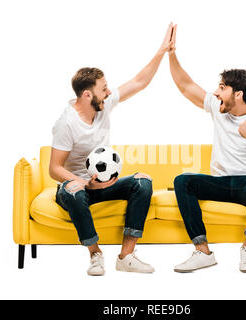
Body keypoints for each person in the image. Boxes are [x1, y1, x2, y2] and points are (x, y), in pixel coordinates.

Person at [49, 24, 175, 276]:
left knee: (143, 181)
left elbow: (139, 82)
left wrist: (162, 51)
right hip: (77, 188)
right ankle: (95, 254)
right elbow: (54, 168)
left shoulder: (103, 105)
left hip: (105, 184)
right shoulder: (66, 123)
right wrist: (85, 183)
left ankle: (127, 255)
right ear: (87, 94)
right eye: (103, 88)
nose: (108, 92)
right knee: (74, 192)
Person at [167, 25, 246, 273]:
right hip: (220, 184)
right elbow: (185, 85)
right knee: (183, 181)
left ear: (239, 94)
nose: (216, 92)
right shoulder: (218, 108)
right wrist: (171, 53)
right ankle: (202, 252)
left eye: (222, 87)